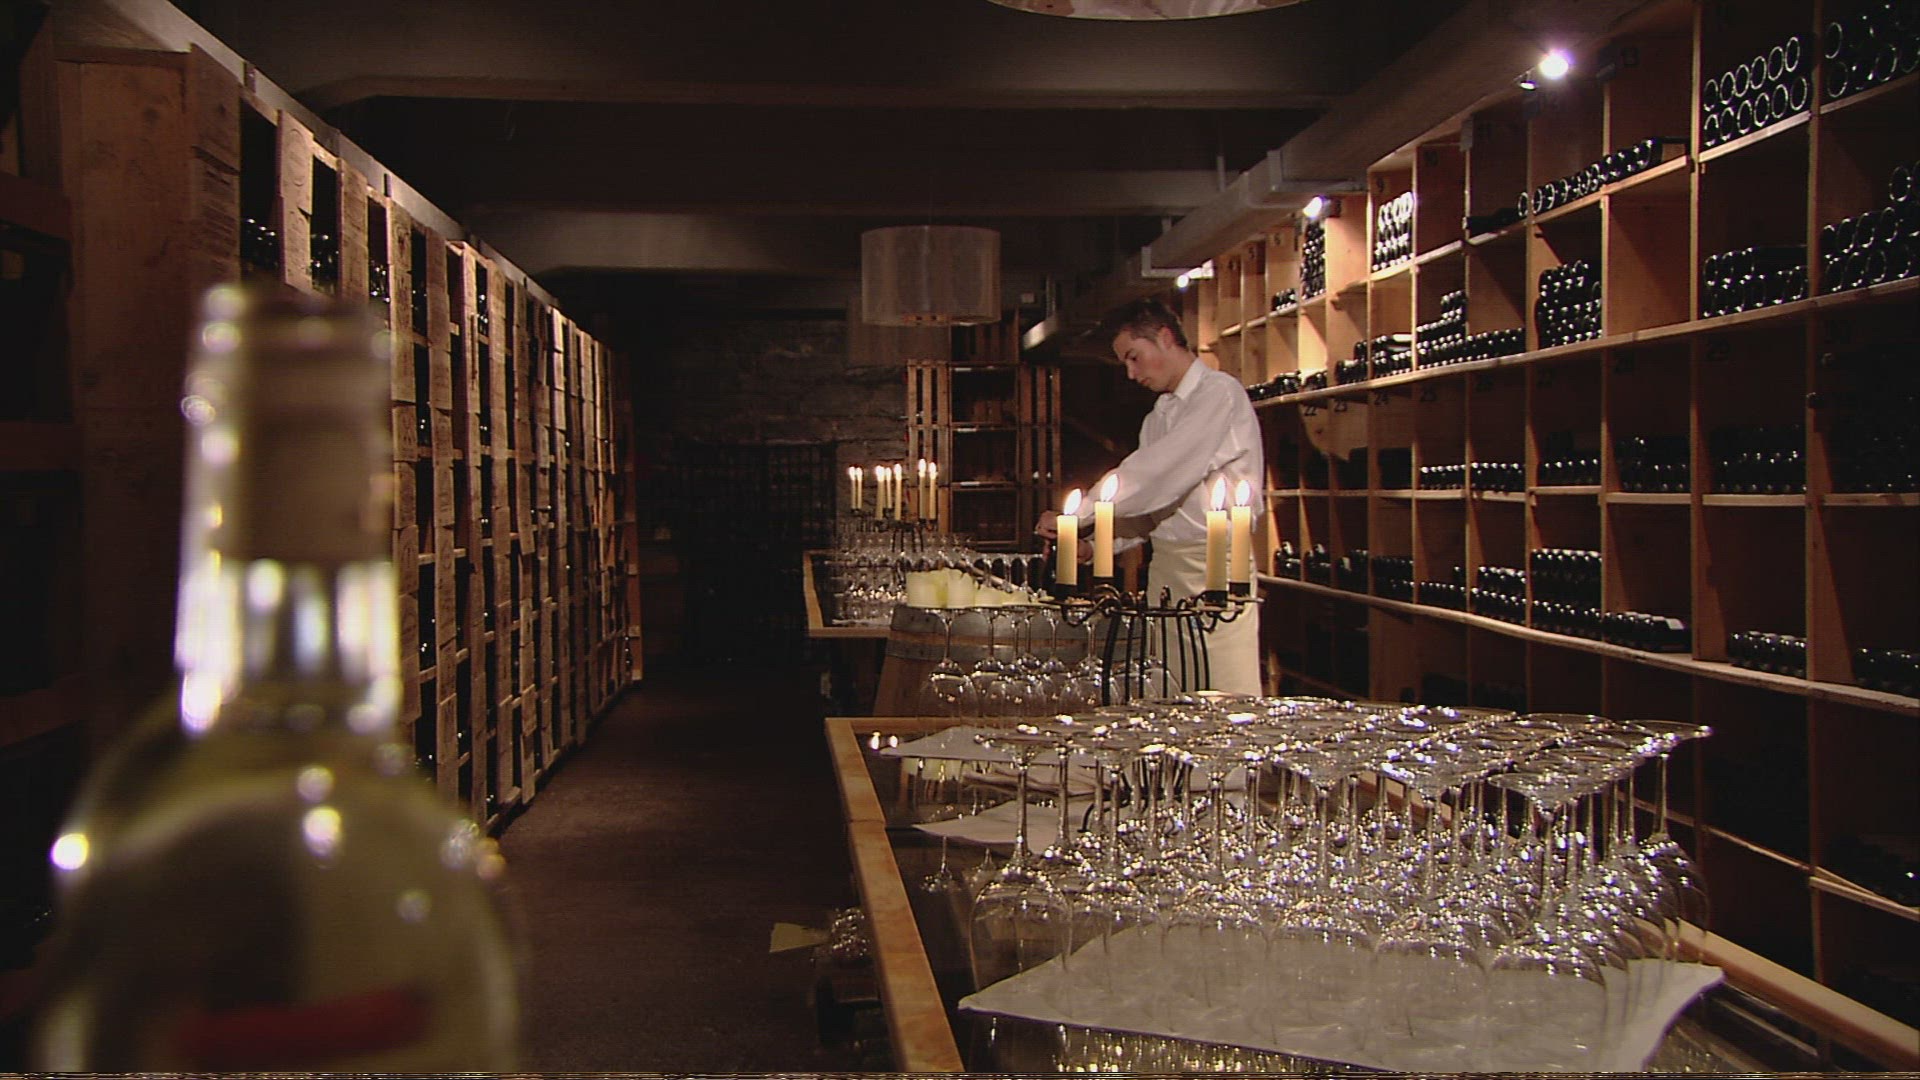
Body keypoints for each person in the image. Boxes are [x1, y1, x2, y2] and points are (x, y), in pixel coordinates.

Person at [1037, 297, 1264, 694]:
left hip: (1218, 573)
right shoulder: (1158, 416)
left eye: (1134, 357)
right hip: (1168, 574)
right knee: (1174, 693)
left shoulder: (1218, 394)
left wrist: (1079, 515)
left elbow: (1160, 474)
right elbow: (1153, 508)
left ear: (1164, 337)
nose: (1130, 373)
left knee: (1225, 697)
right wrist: (1096, 544)